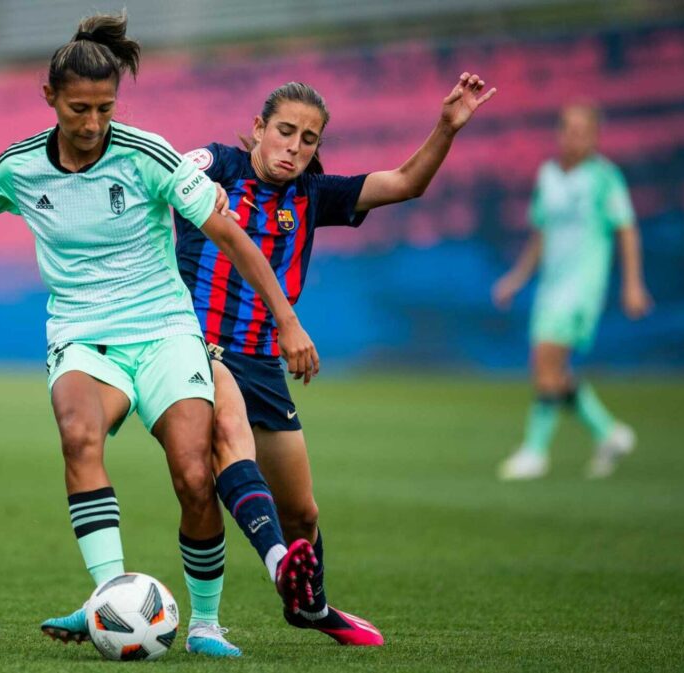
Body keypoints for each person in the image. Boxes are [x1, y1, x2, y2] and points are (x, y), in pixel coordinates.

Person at [0, 12, 321, 658]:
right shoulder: (19, 166)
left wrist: (286, 319)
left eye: (104, 108)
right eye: (78, 109)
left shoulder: (146, 154)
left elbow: (231, 234)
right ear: (50, 100)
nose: (92, 124)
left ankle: (204, 623)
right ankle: (111, 598)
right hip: (83, 336)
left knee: (194, 474)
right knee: (78, 435)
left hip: (165, 331)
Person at [174, 74, 497, 646]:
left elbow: (404, 183)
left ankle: (310, 605)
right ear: (257, 128)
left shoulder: (313, 195)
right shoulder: (218, 166)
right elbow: (171, 169)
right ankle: (252, 583)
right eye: (284, 132)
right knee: (227, 446)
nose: (294, 148)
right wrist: (190, 182)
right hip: (196, 348)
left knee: (302, 512)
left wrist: (446, 127)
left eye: (308, 139)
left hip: (263, 363)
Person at [492, 102, 652, 480]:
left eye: (584, 131)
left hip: (582, 287)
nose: (576, 138)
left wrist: (632, 284)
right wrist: (517, 278)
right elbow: (540, 234)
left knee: (545, 361)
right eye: (570, 130)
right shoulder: (548, 175)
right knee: (551, 370)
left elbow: (626, 229)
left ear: (595, 137)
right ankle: (609, 432)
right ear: (560, 134)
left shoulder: (604, 178)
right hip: (551, 286)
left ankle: (535, 452)